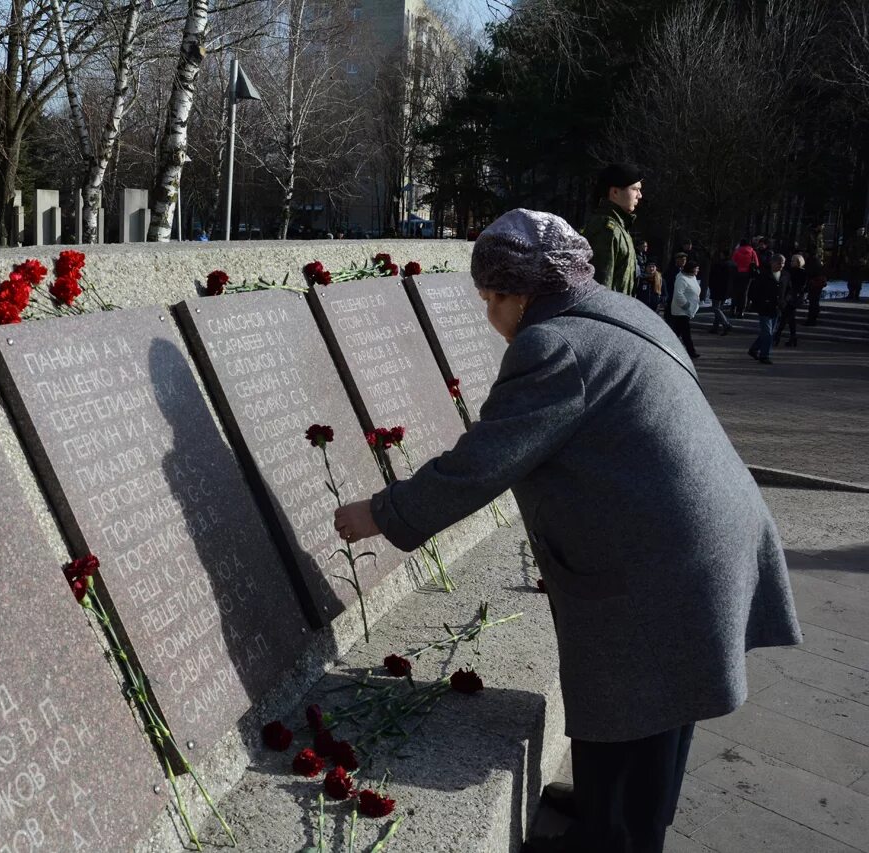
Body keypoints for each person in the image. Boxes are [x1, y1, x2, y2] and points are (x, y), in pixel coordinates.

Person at [332, 208, 801, 853]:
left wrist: (381, 513)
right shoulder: (619, 311)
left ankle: (616, 837)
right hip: (706, 536)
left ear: (518, 294)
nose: (489, 315)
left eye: (490, 299)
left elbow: (482, 462)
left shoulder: (552, 346)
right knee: (662, 702)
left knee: (644, 701)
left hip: (666, 559)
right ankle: (610, 807)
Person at [581, 163, 641, 296]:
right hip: (608, 312)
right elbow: (600, 292)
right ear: (615, 192)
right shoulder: (606, 229)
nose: (639, 195)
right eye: (635, 189)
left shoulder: (620, 228)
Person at [749, 254, 787, 364]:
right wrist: (758, 302)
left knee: (769, 332)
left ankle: (754, 349)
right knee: (767, 333)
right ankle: (764, 355)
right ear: (772, 263)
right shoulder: (763, 274)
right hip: (764, 307)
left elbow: (788, 289)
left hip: (777, 307)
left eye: (783, 263)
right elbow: (754, 290)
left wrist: (786, 299)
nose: (781, 265)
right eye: (779, 263)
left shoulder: (785, 275)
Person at [670, 261, 702, 358]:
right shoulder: (682, 279)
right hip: (681, 311)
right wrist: (687, 305)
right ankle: (691, 352)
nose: (698, 270)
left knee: (676, 333)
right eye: (696, 268)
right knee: (686, 333)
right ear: (691, 268)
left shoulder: (692, 277)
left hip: (687, 310)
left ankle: (668, 348)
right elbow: (678, 294)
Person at [776, 254, 805, 347]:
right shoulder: (789, 271)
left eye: (793, 261)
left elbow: (800, 286)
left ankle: (778, 335)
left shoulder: (800, 272)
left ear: (798, 262)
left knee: (786, 317)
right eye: (791, 260)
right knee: (789, 317)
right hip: (790, 297)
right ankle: (792, 337)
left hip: (793, 297)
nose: (791, 262)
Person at [730, 239, 759, 318]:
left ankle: (733, 309)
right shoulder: (753, 252)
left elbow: (733, 262)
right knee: (744, 293)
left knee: (735, 292)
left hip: (737, 273)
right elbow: (757, 264)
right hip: (748, 275)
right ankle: (741, 311)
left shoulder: (737, 251)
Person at [707, 252, 735, 335]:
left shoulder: (719, 265)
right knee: (719, 308)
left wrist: (711, 285)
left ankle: (726, 324)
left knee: (716, 308)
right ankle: (715, 327)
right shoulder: (733, 265)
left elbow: (713, 277)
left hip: (718, 288)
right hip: (726, 289)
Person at [805, 250, 827, 326]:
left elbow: (810, 272)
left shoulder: (811, 261)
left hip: (814, 283)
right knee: (815, 301)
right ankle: (813, 317)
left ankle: (811, 319)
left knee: (813, 302)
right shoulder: (818, 261)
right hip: (818, 283)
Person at [847, 226, 869, 302]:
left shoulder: (866, 240)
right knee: (851, 278)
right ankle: (850, 293)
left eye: (863, 230)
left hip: (860, 262)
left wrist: (865, 258)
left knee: (858, 279)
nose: (862, 232)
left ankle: (857, 294)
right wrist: (847, 257)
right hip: (852, 261)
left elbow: (867, 251)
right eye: (860, 230)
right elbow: (846, 249)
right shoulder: (852, 239)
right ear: (857, 231)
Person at [662, 252, 687, 319]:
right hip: (672, 297)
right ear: (677, 260)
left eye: (685, 260)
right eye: (682, 259)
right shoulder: (670, 270)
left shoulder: (686, 271)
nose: (684, 261)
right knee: (670, 318)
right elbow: (666, 284)